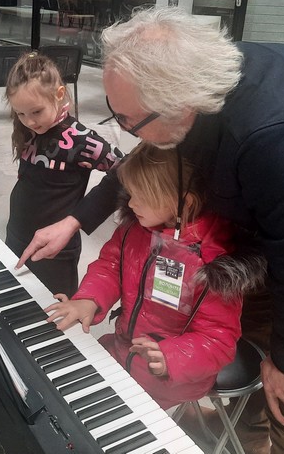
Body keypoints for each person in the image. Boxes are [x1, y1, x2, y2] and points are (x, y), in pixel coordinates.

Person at [17, 7, 284, 453]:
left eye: (125, 120)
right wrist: (75, 219)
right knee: (246, 341)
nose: (121, 129)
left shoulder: (276, 137)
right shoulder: (189, 86)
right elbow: (141, 159)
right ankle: (247, 441)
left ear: (180, 106)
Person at [44, 142, 265, 410]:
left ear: (184, 203)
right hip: (122, 349)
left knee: (107, 417)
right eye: (130, 194)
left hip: (168, 377)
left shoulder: (212, 265)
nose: (131, 203)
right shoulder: (134, 228)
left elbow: (218, 340)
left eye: (142, 197)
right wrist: (89, 299)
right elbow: (111, 266)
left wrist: (171, 358)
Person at [4, 52, 123, 296]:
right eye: (21, 113)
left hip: (55, 251)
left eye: (36, 112)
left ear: (58, 95)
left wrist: (82, 215)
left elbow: (124, 170)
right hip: (16, 235)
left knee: (51, 311)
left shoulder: (80, 139)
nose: (29, 121)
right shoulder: (29, 130)